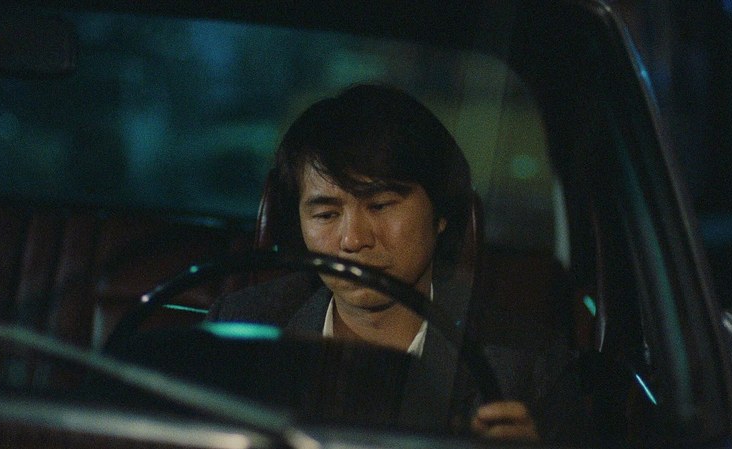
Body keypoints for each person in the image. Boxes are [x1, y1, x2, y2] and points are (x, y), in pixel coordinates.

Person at [208, 83, 585, 442]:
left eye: (380, 205)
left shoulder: (526, 365)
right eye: (326, 215)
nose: (353, 239)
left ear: (440, 214)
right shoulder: (241, 328)